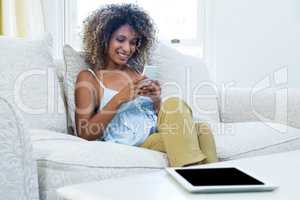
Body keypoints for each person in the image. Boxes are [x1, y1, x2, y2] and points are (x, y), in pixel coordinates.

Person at [75, 3, 218, 167]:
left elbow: (157, 120)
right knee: (182, 115)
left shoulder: (138, 75)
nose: (127, 48)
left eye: (133, 42)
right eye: (120, 40)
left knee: (201, 129)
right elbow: (85, 133)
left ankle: (210, 185)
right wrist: (120, 98)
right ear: (104, 39)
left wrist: (156, 101)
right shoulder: (89, 78)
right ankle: (196, 176)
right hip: (130, 144)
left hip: (154, 137)